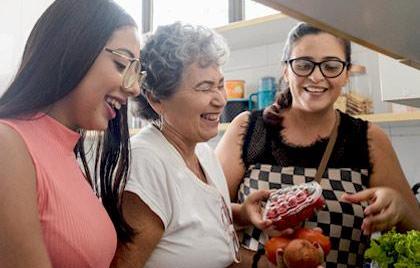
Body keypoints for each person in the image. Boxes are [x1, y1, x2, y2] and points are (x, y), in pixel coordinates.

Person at [216, 22, 420, 267]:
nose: (316, 76)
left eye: (331, 66)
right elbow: (204, 218)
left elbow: (415, 231)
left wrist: (400, 208)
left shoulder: (368, 138)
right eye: (303, 65)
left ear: (345, 74)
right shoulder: (248, 129)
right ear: (286, 70)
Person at [111, 22, 272, 268]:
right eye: (204, 88)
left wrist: (240, 215)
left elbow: (203, 244)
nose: (220, 100)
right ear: (156, 99)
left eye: (220, 84)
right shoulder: (146, 163)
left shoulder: (204, 155)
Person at [0, 0, 142, 267]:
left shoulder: (67, 153)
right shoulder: (7, 145)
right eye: (122, 65)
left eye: (136, 73)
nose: (134, 89)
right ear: (72, 49)